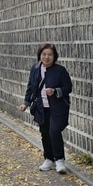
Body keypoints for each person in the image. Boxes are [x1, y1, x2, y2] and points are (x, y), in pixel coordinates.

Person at [20, 43, 73, 174]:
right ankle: (49, 159)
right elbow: (31, 88)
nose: (47, 57)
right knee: (45, 133)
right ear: (40, 55)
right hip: (41, 107)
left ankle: (59, 160)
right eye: (44, 54)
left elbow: (68, 88)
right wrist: (25, 103)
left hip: (57, 108)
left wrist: (55, 91)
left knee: (54, 131)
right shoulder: (35, 69)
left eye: (50, 54)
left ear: (54, 56)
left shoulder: (60, 70)